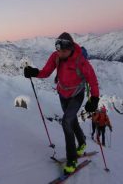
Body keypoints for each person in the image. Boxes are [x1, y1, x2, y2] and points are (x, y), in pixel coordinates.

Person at [24, 32, 100, 175]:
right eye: (59, 50)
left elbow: (93, 80)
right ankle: (82, 141)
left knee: (66, 121)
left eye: (64, 51)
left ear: (71, 48)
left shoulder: (81, 61)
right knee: (71, 120)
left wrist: (94, 99)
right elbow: (46, 72)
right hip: (62, 93)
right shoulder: (56, 56)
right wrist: (34, 72)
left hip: (77, 95)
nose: (61, 53)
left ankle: (72, 159)